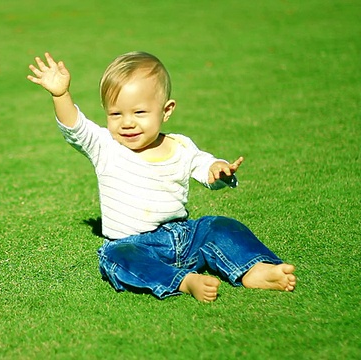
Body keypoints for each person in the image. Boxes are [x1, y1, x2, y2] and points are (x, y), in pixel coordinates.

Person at [27, 51, 296, 302]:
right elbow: (76, 128)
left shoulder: (180, 145)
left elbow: (204, 165)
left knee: (220, 226)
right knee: (115, 257)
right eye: (116, 114)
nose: (127, 122)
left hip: (185, 236)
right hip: (136, 244)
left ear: (166, 111)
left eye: (139, 112)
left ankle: (255, 269)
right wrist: (61, 95)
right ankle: (184, 281)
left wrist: (218, 169)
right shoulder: (106, 147)